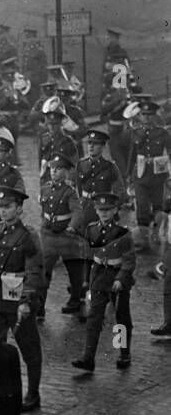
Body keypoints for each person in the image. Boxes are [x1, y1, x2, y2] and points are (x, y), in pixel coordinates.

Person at [0, 187, 44, 412]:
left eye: (8, 207)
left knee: (29, 349)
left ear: (19, 209)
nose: (3, 211)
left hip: (19, 301)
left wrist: (27, 301)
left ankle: (33, 393)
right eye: (0, 207)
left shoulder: (28, 236)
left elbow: (34, 271)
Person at [72, 192, 137, 373]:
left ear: (115, 210)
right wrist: (86, 280)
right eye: (101, 210)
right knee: (94, 318)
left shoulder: (123, 233)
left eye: (108, 210)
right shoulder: (91, 230)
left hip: (117, 279)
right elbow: (88, 256)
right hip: (100, 277)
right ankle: (88, 358)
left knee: (121, 319)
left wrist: (120, 279)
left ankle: (123, 353)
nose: (104, 213)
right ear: (96, 210)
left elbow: (129, 260)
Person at [39, 154, 87, 321]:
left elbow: (77, 212)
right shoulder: (45, 188)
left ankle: (75, 301)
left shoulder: (70, 192)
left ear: (66, 172)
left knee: (74, 272)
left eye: (58, 169)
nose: (54, 172)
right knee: (43, 272)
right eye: (52, 169)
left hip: (66, 237)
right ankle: (39, 306)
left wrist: (72, 227)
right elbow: (43, 210)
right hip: (49, 236)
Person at [126, 98, 170, 252]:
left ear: (154, 116)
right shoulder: (135, 133)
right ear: (139, 116)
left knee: (158, 206)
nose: (146, 118)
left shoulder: (162, 133)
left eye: (150, 115)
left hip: (158, 175)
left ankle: (157, 233)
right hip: (141, 174)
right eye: (144, 114)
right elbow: (131, 155)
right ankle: (143, 241)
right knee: (142, 206)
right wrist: (128, 175)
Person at [75, 129, 123, 224]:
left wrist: (113, 208)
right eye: (89, 143)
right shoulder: (81, 165)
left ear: (103, 147)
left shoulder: (110, 167)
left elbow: (120, 191)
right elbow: (78, 188)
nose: (91, 146)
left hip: (104, 209)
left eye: (95, 144)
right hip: (85, 208)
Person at [37, 107, 79, 195]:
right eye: (49, 124)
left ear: (60, 124)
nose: (52, 127)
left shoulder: (68, 141)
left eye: (55, 124)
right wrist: (42, 185)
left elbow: (75, 165)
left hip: (63, 182)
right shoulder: (43, 139)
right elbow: (41, 164)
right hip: (48, 181)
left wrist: (70, 181)